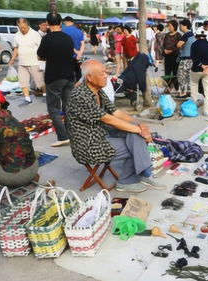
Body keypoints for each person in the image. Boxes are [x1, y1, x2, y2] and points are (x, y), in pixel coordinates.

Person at [66, 59, 163, 192]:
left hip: (102, 133)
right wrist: (140, 130)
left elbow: (115, 112)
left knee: (135, 134)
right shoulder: (80, 96)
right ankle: (130, 180)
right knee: (135, 144)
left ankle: (144, 172)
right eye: (102, 73)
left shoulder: (98, 91)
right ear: (89, 77)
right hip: (88, 145)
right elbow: (108, 119)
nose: (106, 75)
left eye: (106, 72)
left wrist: (140, 125)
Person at [37, 13, 74, 147]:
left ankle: (63, 136)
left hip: (54, 77)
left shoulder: (47, 39)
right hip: (69, 75)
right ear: (60, 22)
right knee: (68, 107)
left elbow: (40, 56)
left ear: (47, 23)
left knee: (53, 108)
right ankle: (71, 134)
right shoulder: (67, 38)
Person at [9, 18, 45, 105]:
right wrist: (12, 59)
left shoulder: (35, 34)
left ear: (27, 25)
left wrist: (43, 59)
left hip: (34, 62)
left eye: (23, 27)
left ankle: (45, 94)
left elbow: (42, 48)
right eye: (20, 27)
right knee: (23, 81)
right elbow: (16, 48)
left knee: (40, 82)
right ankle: (27, 98)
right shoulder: (17, 35)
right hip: (22, 63)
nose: (22, 29)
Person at [190, 29, 208, 116]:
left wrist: (201, 65)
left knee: (194, 85)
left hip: (196, 70)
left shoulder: (194, 45)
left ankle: (193, 106)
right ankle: (207, 111)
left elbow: (193, 58)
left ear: (196, 36)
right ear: (205, 36)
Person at [176, 19, 195, 99]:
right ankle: (189, 92)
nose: (180, 27)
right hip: (191, 59)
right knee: (188, 76)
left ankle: (183, 93)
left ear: (185, 26)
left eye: (181, 25)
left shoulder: (186, 35)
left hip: (185, 59)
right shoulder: (192, 35)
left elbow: (178, 45)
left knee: (181, 76)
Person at [62, 16, 85, 81]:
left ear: (66, 22)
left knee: (67, 74)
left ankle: (68, 88)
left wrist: (75, 51)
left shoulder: (63, 31)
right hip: (77, 57)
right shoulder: (79, 31)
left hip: (67, 56)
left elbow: (67, 44)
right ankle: (77, 88)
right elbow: (83, 44)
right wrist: (79, 53)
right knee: (78, 72)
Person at [163, 20, 181, 89]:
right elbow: (164, 44)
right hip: (167, 57)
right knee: (167, 72)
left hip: (175, 57)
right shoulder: (167, 35)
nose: (169, 27)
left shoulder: (178, 35)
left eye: (170, 26)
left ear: (174, 26)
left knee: (175, 73)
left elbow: (179, 47)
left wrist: (171, 51)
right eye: (168, 26)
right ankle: (168, 87)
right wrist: (165, 50)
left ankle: (176, 88)